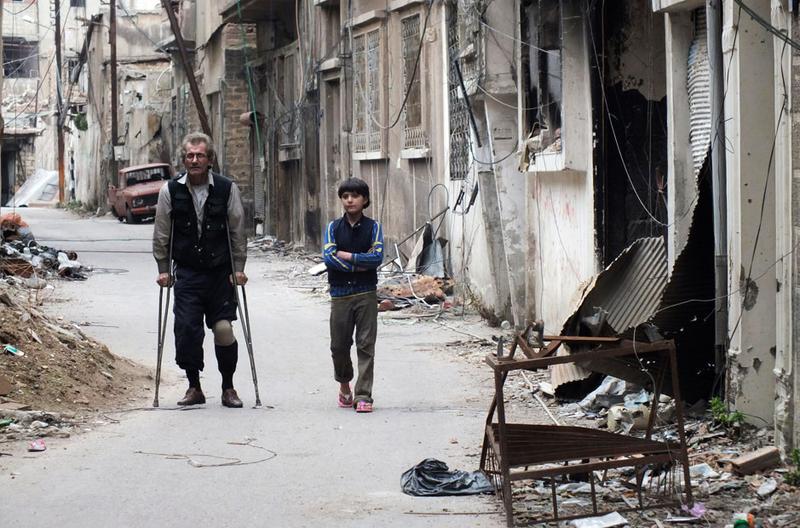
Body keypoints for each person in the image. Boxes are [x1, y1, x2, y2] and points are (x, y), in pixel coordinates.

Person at [152, 132, 248, 408]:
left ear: (210, 159)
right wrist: (163, 268)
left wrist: (238, 268)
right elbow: (161, 232)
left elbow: (237, 230)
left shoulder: (227, 188)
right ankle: (194, 386)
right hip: (188, 272)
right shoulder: (170, 191)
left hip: (219, 272)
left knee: (223, 329)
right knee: (187, 330)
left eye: (200, 156)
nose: (194, 160)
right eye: (190, 156)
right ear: (183, 160)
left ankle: (228, 387)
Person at [323, 177, 384, 413]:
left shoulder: (373, 227)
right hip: (340, 294)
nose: (350, 200)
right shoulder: (333, 227)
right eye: (345, 196)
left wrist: (347, 256)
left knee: (366, 345)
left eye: (355, 196)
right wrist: (359, 265)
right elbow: (329, 258)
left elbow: (376, 257)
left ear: (365, 199)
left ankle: (363, 396)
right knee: (339, 346)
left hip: (366, 292)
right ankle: (344, 385)